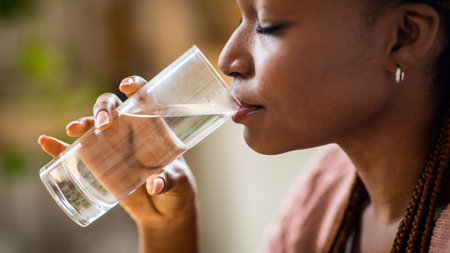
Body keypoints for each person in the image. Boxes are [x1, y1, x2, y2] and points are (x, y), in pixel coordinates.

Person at [38, 0, 450, 252]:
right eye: (240, 18)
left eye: (267, 24)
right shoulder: (327, 193)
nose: (230, 58)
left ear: (405, 35)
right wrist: (167, 228)